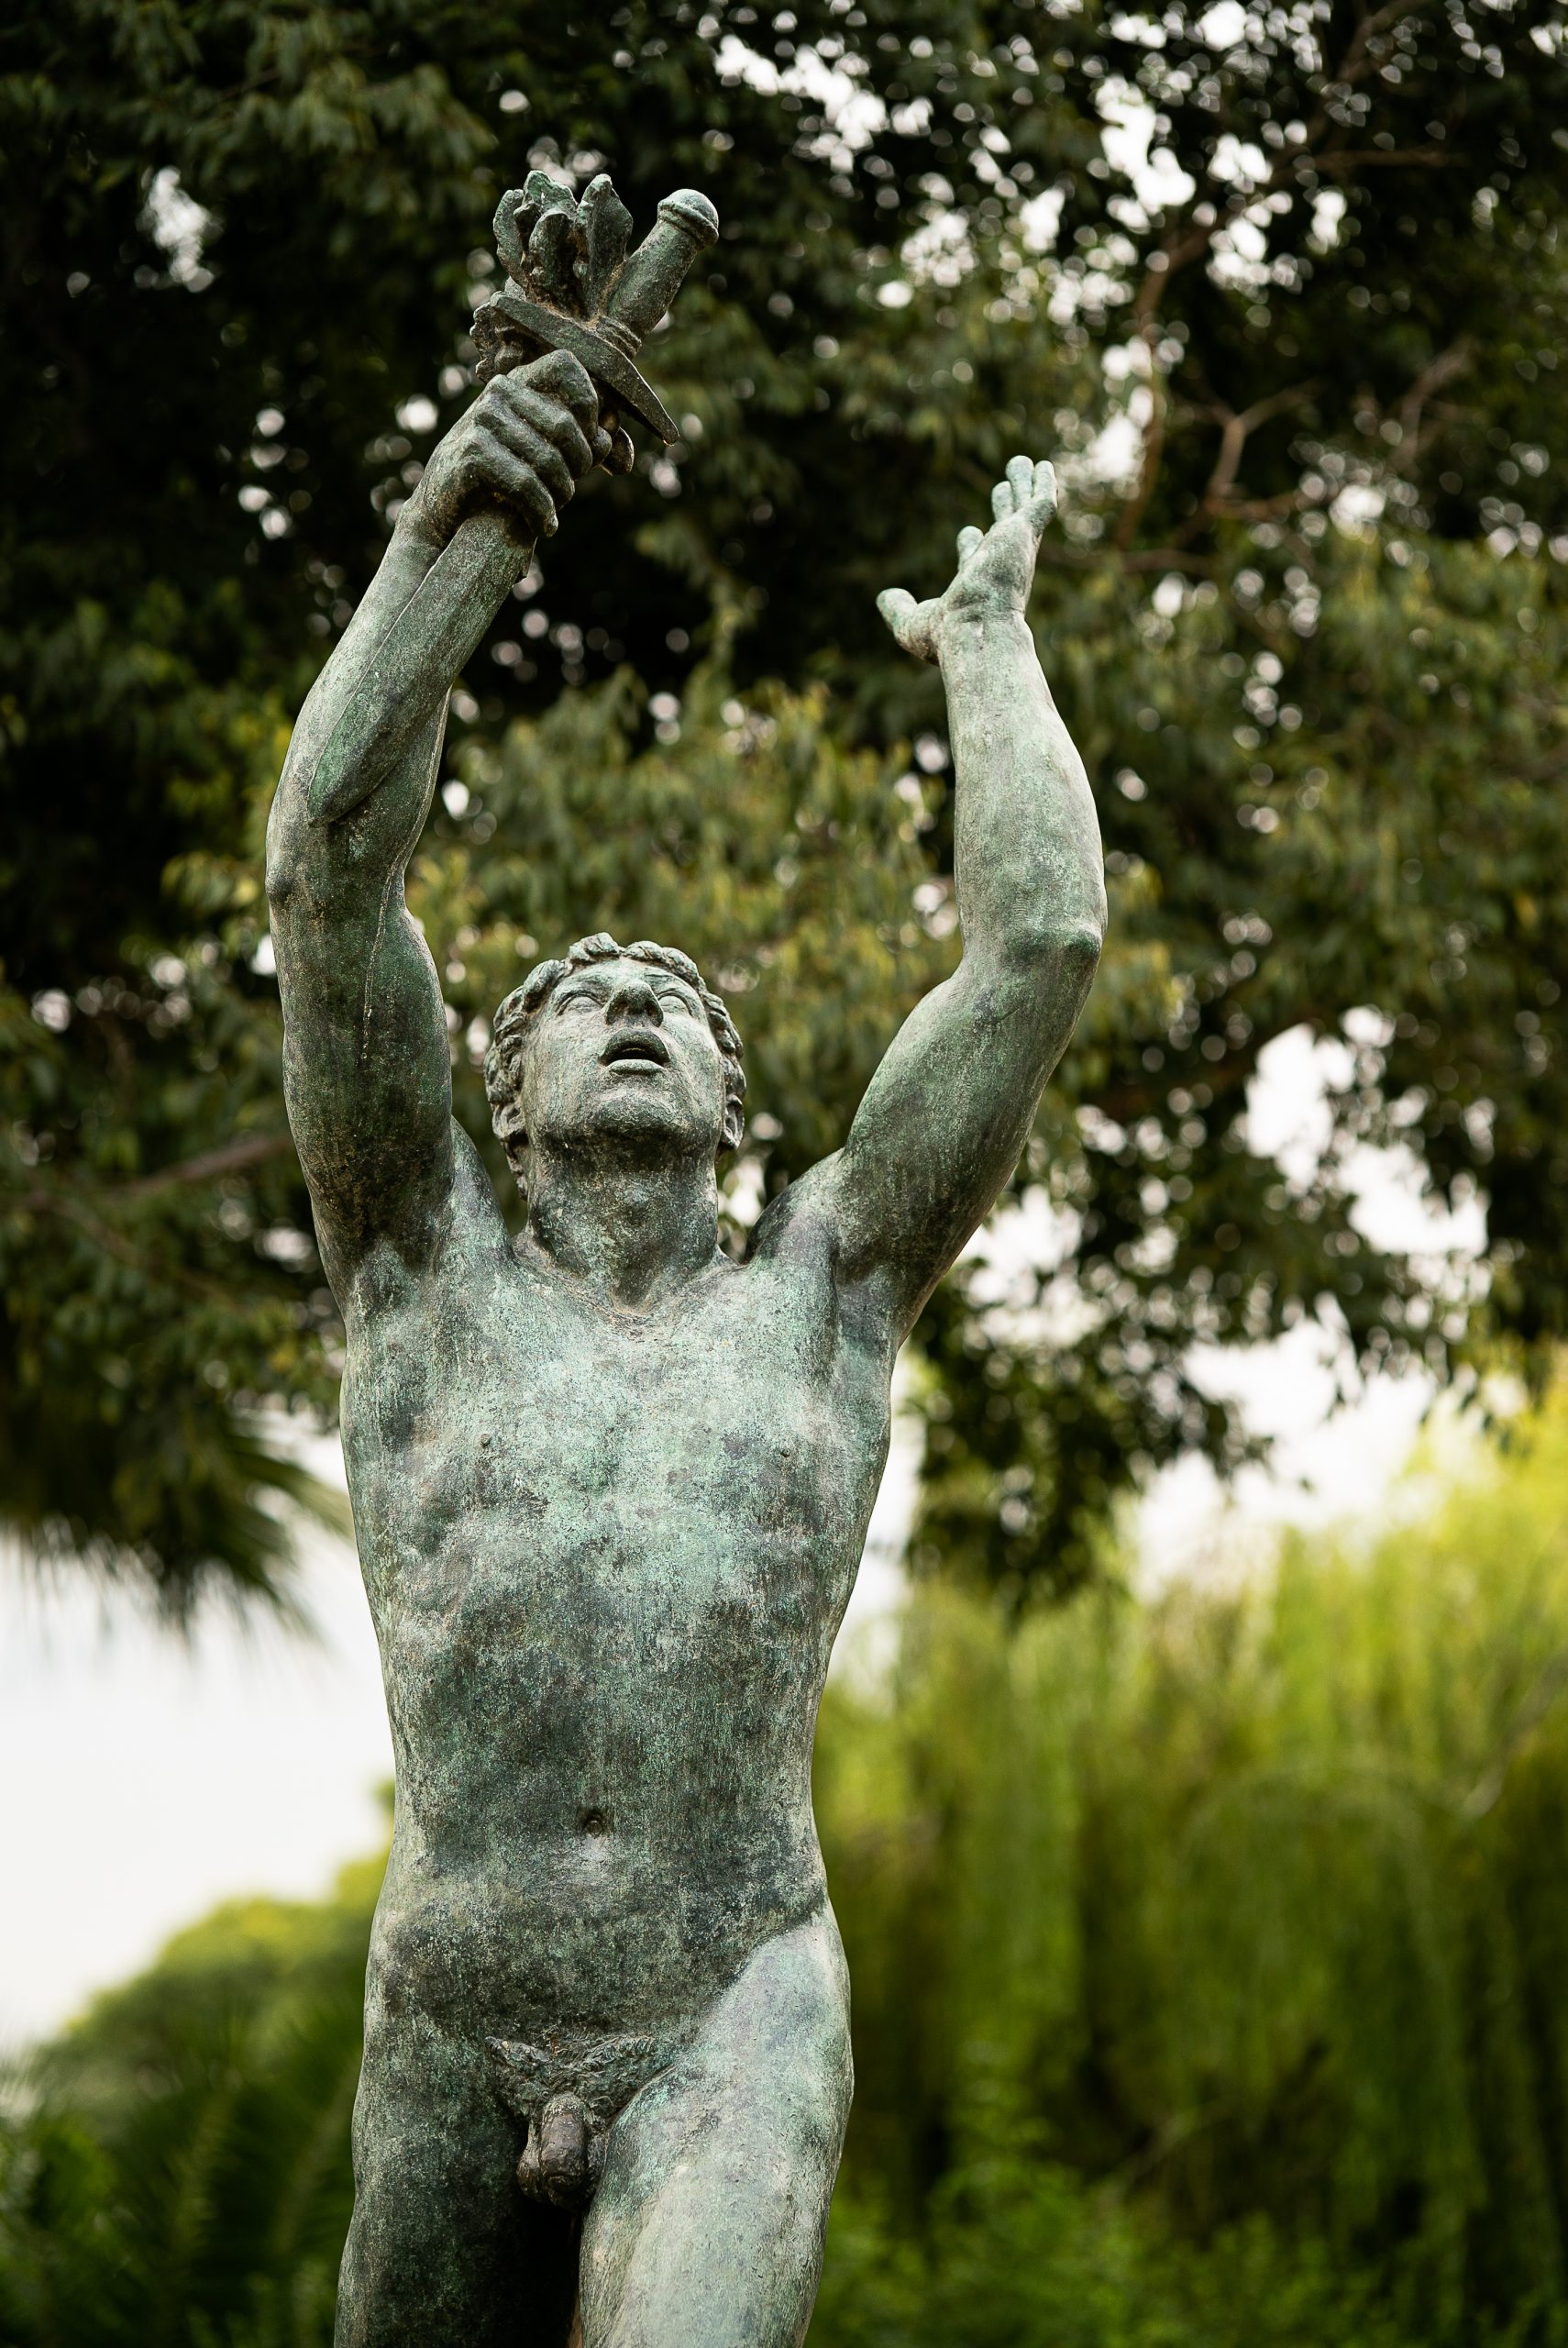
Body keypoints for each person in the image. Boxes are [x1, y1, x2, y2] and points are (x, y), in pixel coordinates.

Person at [265, 346, 1105, 2347]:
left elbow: (1040, 950)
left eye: (676, 1004)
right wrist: (448, 534)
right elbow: (323, 866)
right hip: (449, 2001)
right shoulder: (417, 1265)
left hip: (731, 1989)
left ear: (732, 1100)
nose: (634, 1006)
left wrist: (988, 649)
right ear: (504, 1088)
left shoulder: (827, 1289)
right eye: (585, 997)